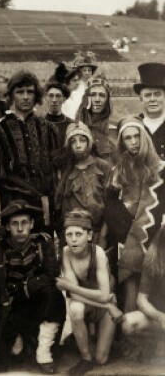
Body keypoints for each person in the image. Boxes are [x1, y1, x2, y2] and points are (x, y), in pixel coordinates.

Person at [0, 200, 65, 374]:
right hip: (11, 305)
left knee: (55, 296)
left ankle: (44, 352)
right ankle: (18, 339)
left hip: (36, 304)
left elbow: (52, 273)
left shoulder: (42, 243)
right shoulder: (1, 247)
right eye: (14, 224)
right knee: (5, 358)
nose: (20, 229)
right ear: (7, 227)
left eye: (24, 223)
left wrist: (26, 287)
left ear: (31, 224)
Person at [104, 117, 165, 313]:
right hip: (127, 237)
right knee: (130, 289)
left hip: (158, 235)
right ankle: (128, 335)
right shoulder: (117, 172)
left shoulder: (161, 169)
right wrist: (129, 232)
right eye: (127, 138)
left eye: (137, 136)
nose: (133, 142)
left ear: (144, 137)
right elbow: (111, 207)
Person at [0, 71, 60, 232]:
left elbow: (56, 174)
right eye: (20, 92)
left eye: (30, 92)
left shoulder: (48, 128)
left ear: (37, 95)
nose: (26, 97)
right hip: (13, 206)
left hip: (43, 205)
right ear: (12, 96)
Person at [57, 210, 122, 376]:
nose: (73, 239)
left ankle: (100, 341)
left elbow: (104, 294)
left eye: (78, 234)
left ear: (89, 235)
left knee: (101, 359)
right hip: (99, 305)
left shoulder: (98, 253)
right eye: (69, 234)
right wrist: (106, 303)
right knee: (75, 308)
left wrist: (70, 287)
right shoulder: (66, 252)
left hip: (106, 308)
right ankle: (85, 358)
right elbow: (74, 296)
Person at [54, 122, 112, 246]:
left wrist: (103, 234)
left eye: (82, 140)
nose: (78, 145)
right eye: (73, 141)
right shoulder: (66, 170)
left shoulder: (103, 166)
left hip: (98, 231)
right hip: (74, 234)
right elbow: (62, 206)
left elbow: (111, 204)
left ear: (89, 142)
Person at [122, 227, 165, 340]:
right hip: (160, 318)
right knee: (129, 323)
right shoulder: (154, 258)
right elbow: (141, 300)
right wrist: (160, 317)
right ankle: (152, 346)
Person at [75, 76, 117, 163]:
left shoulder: (115, 129)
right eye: (93, 95)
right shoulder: (75, 127)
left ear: (107, 100)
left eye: (102, 95)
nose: (97, 100)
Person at [134, 62, 165, 160]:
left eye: (157, 94)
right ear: (141, 99)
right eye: (148, 95)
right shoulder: (134, 125)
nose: (152, 99)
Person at [63, 50, 99, 120]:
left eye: (89, 70)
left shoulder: (93, 84)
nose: (87, 73)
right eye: (84, 70)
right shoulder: (76, 85)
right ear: (80, 72)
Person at [43, 81, 72, 150]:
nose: (54, 100)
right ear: (46, 98)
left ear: (64, 99)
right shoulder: (38, 124)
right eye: (51, 96)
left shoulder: (71, 125)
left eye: (58, 96)